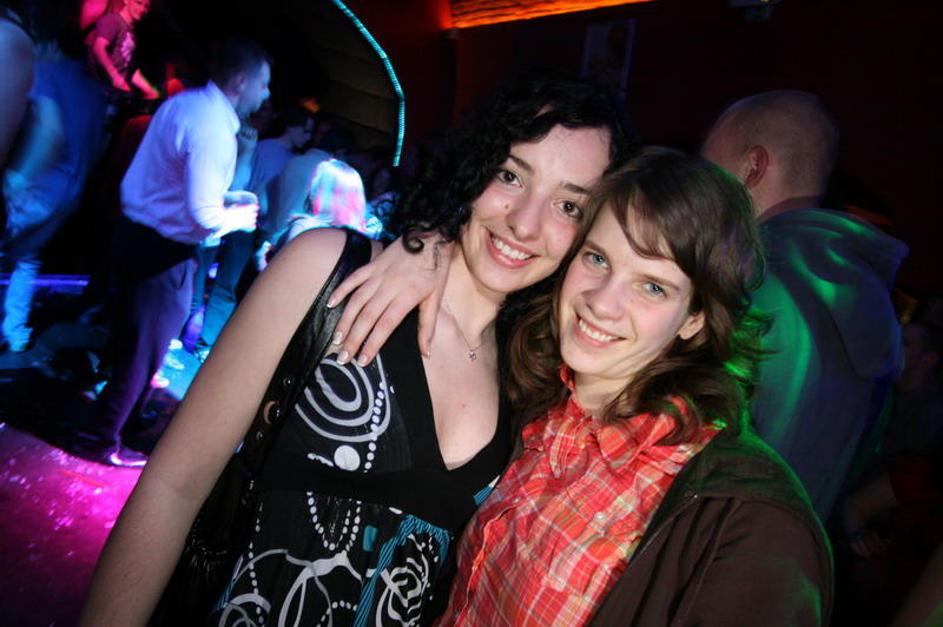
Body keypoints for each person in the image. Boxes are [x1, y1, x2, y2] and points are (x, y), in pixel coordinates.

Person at [79, 71, 629, 625]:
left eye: (568, 206)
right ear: (475, 164)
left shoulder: (533, 377)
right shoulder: (327, 273)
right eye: (511, 175)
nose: (526, 224)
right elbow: (173, 486)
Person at [439, 147, 831, 625]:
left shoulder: (742, 520)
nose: (602, 303)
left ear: (696, 317)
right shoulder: (539, 400)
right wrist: (417, 255)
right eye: (598, 258)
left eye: (653, 287)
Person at [701, 90, 908, 519]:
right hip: (791, 552)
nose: (697, 195)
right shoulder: (874, 306)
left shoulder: (746, 288)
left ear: (753, 166)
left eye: (708, 171)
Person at [70, 39, 270, 467]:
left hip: (136, 234)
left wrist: (223, 197)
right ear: (241, 81)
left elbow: (172, 181)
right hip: (163, 250)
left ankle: (121, 421)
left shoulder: (186, 104)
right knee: (144, 350)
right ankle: (99, 438)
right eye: (264, 84)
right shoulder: (214, 127)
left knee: (132, 340)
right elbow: (203, 217)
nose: (266, 94)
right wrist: (240, 218)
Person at [1, 30, 108, 352]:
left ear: (52, 44)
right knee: (27, 260)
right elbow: (100, 145)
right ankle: (15, 334)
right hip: (70, 195)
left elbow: (49, 131)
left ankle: (13, 332)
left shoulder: (47, 72)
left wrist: (17, 179)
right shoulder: (95, 90)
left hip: (37, 188)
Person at [85, 0, 158, 99]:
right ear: (126, 1)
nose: (142, 9)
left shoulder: (131, 31)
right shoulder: (113, 21)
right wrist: (115, 76)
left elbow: (127, 65)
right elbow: (98, 47)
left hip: (113, 93)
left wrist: (148, 89)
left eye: (146, 6)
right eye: (138, 3)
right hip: (98, 91)